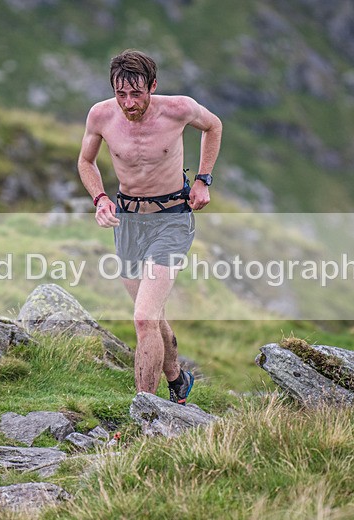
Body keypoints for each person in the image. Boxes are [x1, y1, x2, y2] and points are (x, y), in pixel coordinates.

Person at [77, 49, 223, 404]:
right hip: (127, 221)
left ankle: (146, 412)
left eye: (136, 93)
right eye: (120, 93)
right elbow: (86, 161)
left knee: (142, 318)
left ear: (152, 86)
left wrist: (203, 179)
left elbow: (214, 126)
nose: (128, 103)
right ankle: (177, 380)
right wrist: (100, 199)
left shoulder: (179, 109)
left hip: (171, 218)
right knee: (151, 314)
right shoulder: (100, 115)